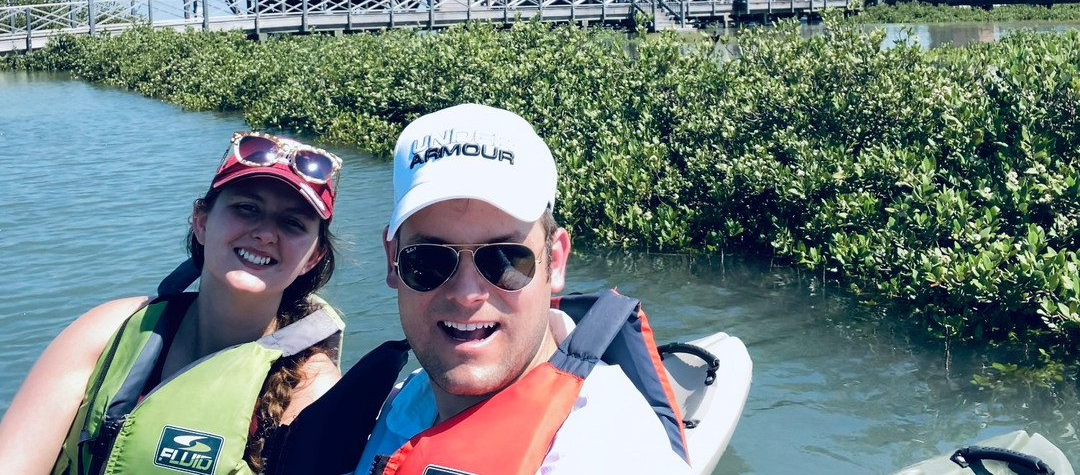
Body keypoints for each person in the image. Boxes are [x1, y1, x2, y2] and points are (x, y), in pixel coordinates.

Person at [347, 103, 692, 475]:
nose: (466, 293)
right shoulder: (403, 400)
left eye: (505, 259)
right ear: (393, 261)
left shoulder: (606, 452)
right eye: (429, 260)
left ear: (555, 262)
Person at [0, 130, 345, 475]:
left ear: (314, 257)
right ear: (201, 222)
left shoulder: (311, 387)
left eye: (292, 223)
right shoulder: (107, 331)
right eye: (247, 208)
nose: (265, 234)